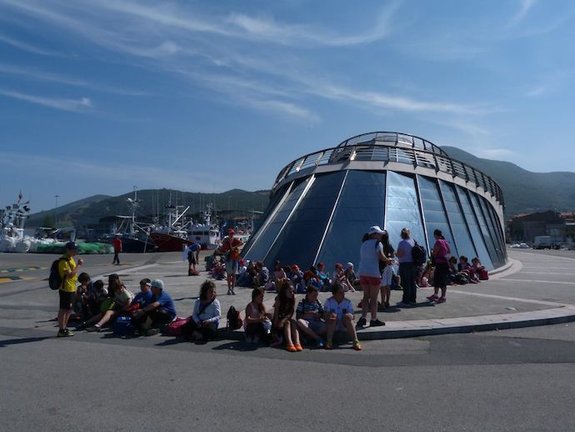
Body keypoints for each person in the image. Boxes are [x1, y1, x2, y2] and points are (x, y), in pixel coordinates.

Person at [357, 226, 386, 328]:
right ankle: (373, 319)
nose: (381, 236)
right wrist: (389, 260)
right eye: (379, 234)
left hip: (363, 272)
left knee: (366, 296)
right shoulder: (378, 244)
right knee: (374, 298)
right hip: (373, 272)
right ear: (374, 234)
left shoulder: (364, 244)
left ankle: (363, 317)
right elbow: (381, 257)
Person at [57, 241, 84, 337]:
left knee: (68, 309)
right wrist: (79, 265)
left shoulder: (71, 258)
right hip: (66, 288)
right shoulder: (63, 261)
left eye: (76, 250)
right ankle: (61, 329)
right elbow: (70, 274)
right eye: (74, 250)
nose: (75, 252)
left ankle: (64, 328)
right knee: (63, 309)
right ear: (68, 250)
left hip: (71, 287)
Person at [323, 282, 361, 351]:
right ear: (334, 294)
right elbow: (324, 316)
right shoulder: (329, 301)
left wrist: (349, 315)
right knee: (333, 318)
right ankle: (329, 341)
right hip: (333, 325)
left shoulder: (347, 302)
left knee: (348, 318)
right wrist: (330, 315)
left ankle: (355, 341)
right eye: (340, 293)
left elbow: (353, 316)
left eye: (343, 292)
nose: (343, 294)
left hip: (345, 324)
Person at [272, 280, 302, 352]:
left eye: (293, 291)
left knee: (293, 322)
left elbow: (291, 313)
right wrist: (276, 324)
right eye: (290, 291)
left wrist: (283, 320)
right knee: (288, 323)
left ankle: (297, 343)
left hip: (286, 318)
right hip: (279, 318)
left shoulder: (292, 298)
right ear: (284, 291)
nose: (292, 293)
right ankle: (289, 343)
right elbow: (276, 313)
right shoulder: (279, 298)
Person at [427, 229, 451, 304]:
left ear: (435, 235)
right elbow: (449, 252)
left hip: (439, 263)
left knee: (438, 279)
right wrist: (445, 258)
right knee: (442, 279)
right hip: (445, 263)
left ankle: (439, 295)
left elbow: (435, 252)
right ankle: (440, 295)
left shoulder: (438, 242)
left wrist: (433, 253)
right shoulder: (445, 242)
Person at [218, 228, 243, 295]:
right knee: (229, 275)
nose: (231, 235)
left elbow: (241, 243)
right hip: (229, 259)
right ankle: (229, 289)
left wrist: (234, 247)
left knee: (234, 275)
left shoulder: (235, 240)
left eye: (232, 233)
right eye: (230, 234)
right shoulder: (226, 241)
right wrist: (225, 251)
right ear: (228, 234)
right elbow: (222, 250)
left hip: (235, 258)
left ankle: (233, 289)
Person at [396, 227, 417, 306]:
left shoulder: (402, 243)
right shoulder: (413, 241)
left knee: (405, 282)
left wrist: (396, 253)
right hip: (413, 263)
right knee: (412, 282)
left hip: (404, 264)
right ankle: (413, 299)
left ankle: (406, 300)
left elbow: (400, 254)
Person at [379, 230, 395, 309]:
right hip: (390, 266)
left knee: (383, 285)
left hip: (383, 266)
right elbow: (393, 255)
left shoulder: (381, 245)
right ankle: (387, 301)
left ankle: (382, 302)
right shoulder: (390, 245)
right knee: (388, 285)